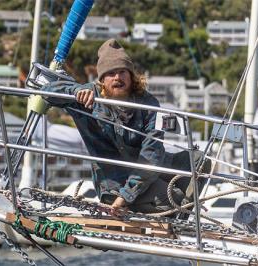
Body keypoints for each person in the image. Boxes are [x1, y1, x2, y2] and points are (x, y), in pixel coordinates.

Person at [41, 39, 190, 214]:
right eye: (111, 73)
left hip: (143, 174)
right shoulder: (89, 97)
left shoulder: (148, 103)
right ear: (102, 80)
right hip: (114, 182)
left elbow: (152, 154)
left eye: (122, 72)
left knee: (197, 162)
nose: (117, 77)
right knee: (175, 198)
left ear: (131, 75)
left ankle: (176, 216)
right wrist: (74, 92)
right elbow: (47, 91)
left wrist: (127, 195)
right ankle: (164, 219)